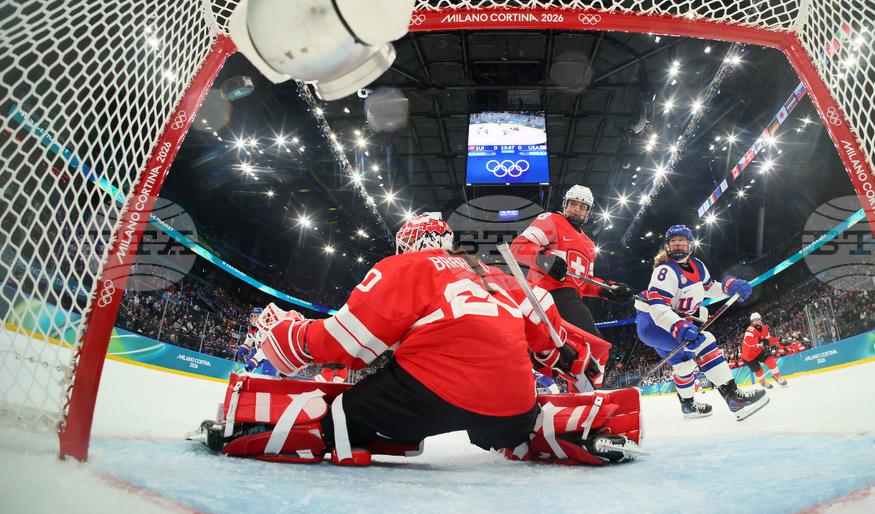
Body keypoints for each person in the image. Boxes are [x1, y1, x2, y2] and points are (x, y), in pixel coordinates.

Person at [193, 213, 642, 466]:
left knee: (342, 414)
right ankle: (534, 434)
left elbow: (346, 345)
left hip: (430, 395)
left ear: (409, 243)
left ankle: (257, 431)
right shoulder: (500, 277)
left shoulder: (407, 267)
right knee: (514, 414)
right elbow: (550, 345)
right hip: (512, 401)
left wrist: (287, 333)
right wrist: (575, 361)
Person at [634, 224, 769, 421]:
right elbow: (657, 308)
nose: (678, 244)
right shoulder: (664, 271)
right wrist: (680, 327)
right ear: (668, 246)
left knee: (684, 367)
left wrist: (728, 287)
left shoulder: (697, 265)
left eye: (682, 240)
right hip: (653, 324)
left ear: (690, 245)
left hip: (672, 320)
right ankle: (733, 396)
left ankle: (688, 406)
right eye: (673, 241)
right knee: (705, 340)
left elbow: (708, 287)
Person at [510, 184, 633, 336]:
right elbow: (518, 247)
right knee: (590, 341)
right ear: (565, 205)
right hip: (545, 293)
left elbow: (583, 282)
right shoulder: (552, 220)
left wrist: (609, 289)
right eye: (573, 204)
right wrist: (546, 259)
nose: (576, 209)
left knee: (553, 355)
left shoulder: (589, 244)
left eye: (582, 207)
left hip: (570, 297)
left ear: (588, 212)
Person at [741, 312, 787, 389]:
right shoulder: (750, 329)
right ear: (752, 323)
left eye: (757, 320)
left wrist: (780, 341)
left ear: (760, 320)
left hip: (758, 351)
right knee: (759, 370)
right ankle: (763, 383)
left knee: (770, 361)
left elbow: (769, 340)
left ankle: (778, 378)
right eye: (754, 321)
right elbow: (748, 341)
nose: (755, 322)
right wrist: (760, 340)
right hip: (748, 356)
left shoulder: (764, 328)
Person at [235, 307, 280, 377]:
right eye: (254, 316)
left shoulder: (265, 329)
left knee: (268, 376)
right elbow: (250, 337)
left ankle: (276, 380)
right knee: (247, 369)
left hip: (270, 355)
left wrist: (254, 360)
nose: (255, 318)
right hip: (258, 350)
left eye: (258, 316)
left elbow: (264, 350)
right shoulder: (251, 327)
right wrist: (245, 346)